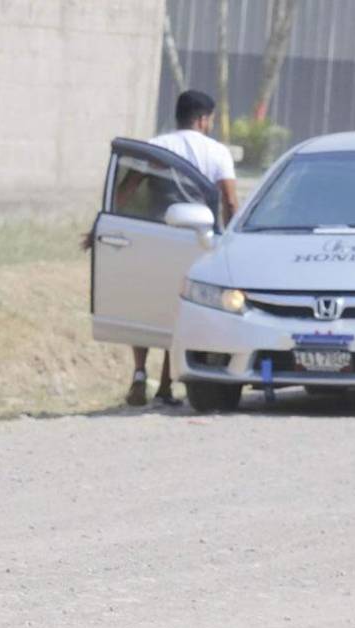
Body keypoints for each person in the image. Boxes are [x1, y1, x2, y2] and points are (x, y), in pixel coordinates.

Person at [121, 89, 240, 407]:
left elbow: (127, 190)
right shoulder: (216, 153)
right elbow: (229, 201)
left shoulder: (155, 147)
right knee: (178, 309)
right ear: (203, 119)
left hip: (152, 236)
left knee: (147, 305)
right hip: (195, 241)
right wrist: (232, 240)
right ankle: (164, 385)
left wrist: (116, 226)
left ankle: (139, 373)